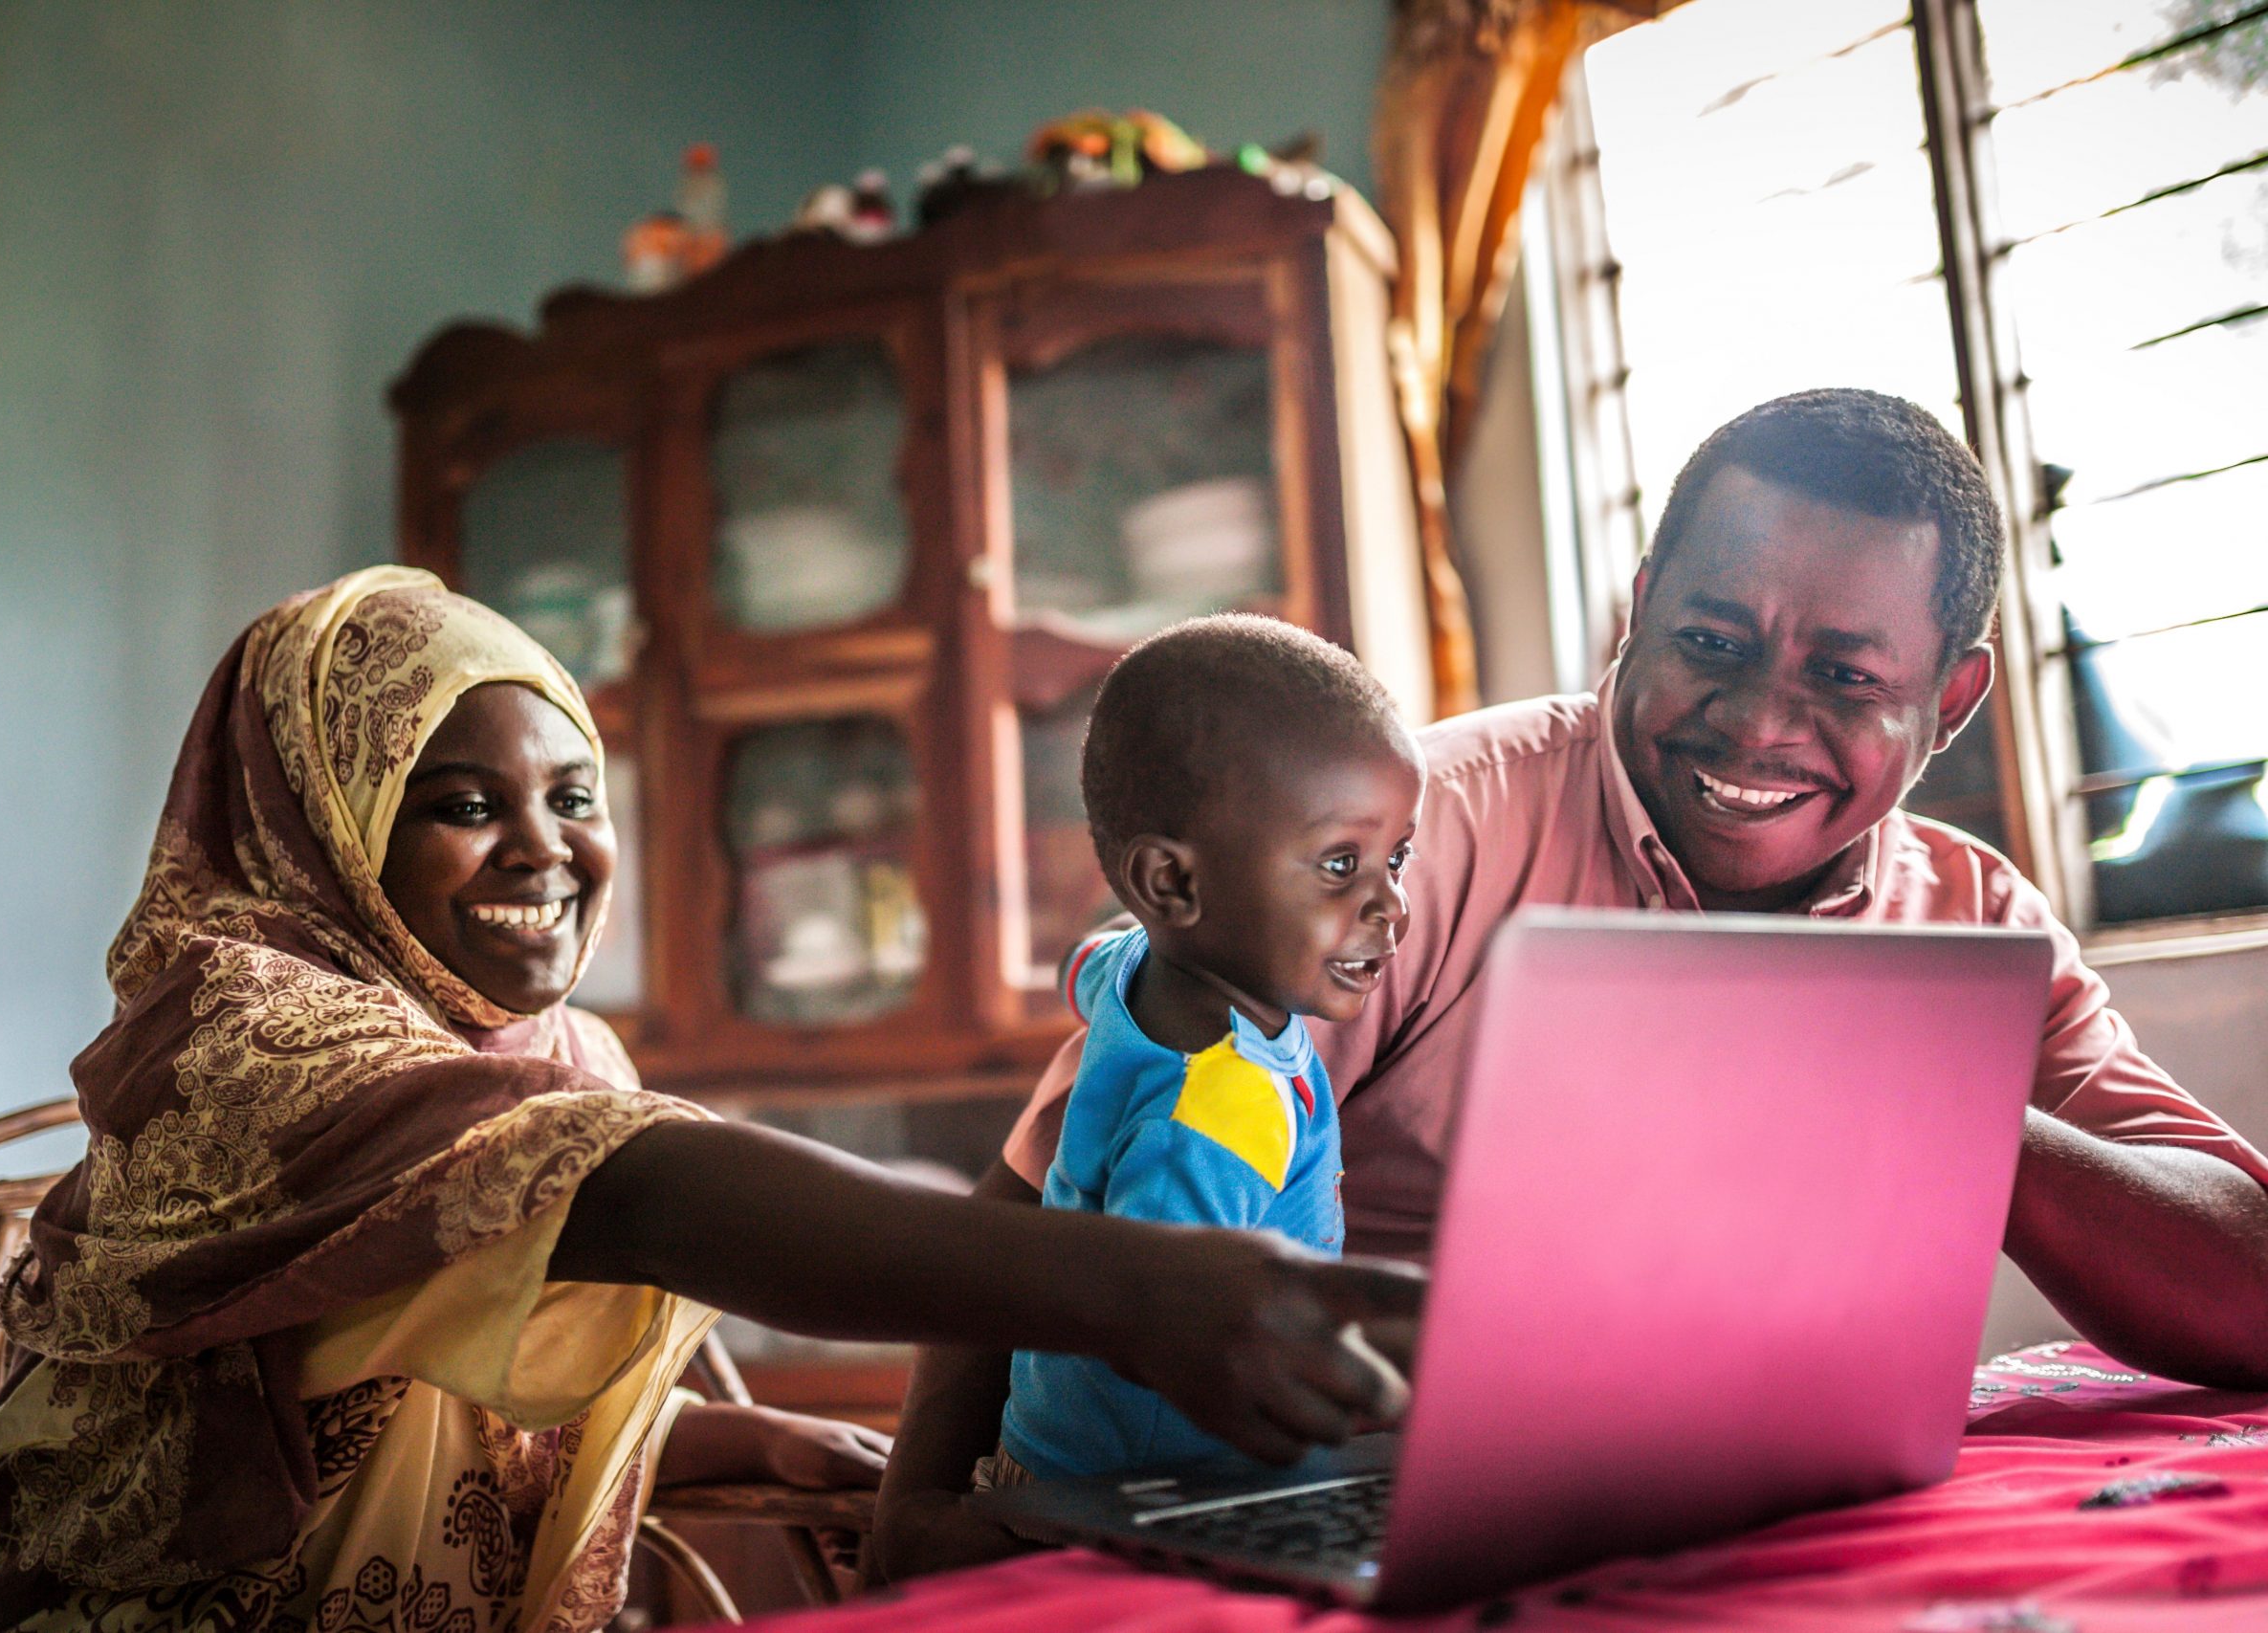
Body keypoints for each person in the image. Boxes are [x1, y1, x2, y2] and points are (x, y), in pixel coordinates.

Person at [872, 388, 2268, 1581]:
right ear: (1642, 600)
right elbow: (1046, 1184)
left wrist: (1937, 1098)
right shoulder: (1420, 835)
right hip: (1328, 1488)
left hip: (1746, 1532)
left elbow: (2244, 1286)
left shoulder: (1975, 923)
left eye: (1844, 676)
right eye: (1712, 641)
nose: (1758, 719)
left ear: (1950, 703)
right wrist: (919, 1516)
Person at [0, 567, 1420, 1633]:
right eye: (463, 803)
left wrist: (755, 1446)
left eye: (573, 793)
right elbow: (620, 1181)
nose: (544, 848)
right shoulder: (248, 1043)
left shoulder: (559, 1054)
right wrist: (1133, 1290)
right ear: (324, 825)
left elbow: (429, 1397)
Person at [995, 617, 1425, 1483]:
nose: (1392, 906)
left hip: (1072, 1449)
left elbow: (1086, 966)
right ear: (1173, 883)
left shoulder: (1141, 964)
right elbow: (1159, 1330)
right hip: (1142, 1488)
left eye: (1398, 856)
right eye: (1341, 865)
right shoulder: (1217, 1116)